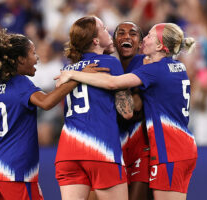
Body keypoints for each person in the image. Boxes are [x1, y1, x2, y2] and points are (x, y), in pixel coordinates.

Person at [56, 22, 198, 200]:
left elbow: (114, 85)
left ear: (160, 46)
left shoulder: (149, 67)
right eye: (120, 32)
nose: (144, 38)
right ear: (114, 41)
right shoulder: (174, 66)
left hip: (160, 149)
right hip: (172, 146)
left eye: (147, 36)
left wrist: (72, 74)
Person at [0, 24, 100, 200]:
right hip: (13, 169)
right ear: (20, 60)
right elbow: (46, 103)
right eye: (32, 53)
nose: (37, 57)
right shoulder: (20, 83)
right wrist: (76, 77)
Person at [54, 16, 134, 200]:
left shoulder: (69, 69)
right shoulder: (110, 63)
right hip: (101, 149)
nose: (109, 31)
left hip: (67, 152)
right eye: (104, 28)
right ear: (96, 41)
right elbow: (127, 111)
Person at [113, 21, 152, 200]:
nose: (126, 36)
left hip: (141, 143)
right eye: (121, 33)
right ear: (113, 41)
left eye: (133, 33)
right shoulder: (106, 65)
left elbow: (136, 106)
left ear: (141, 42)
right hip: (112, 145)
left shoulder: (147, 63)